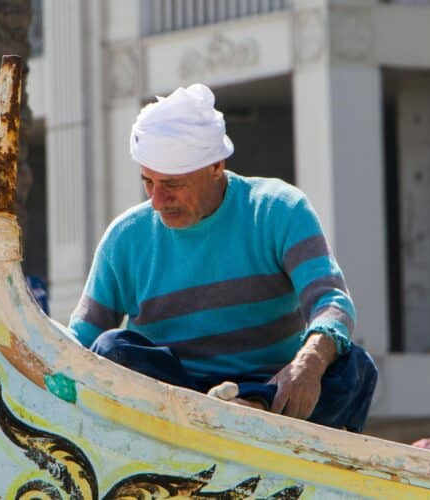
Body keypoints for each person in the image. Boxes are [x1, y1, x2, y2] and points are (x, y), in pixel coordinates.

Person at [69, 84, 377, 432]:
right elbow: (78, 344)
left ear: (216, 166)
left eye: (172, 184)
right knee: (111, 349)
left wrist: (309, 361)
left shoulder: (278, 209)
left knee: (354, 366)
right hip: (173, 404)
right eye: (148, 182)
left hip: (274, 395)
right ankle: (223, 417)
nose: (157, 200)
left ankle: (252, 407)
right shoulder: (125, 239)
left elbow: (331, 301)